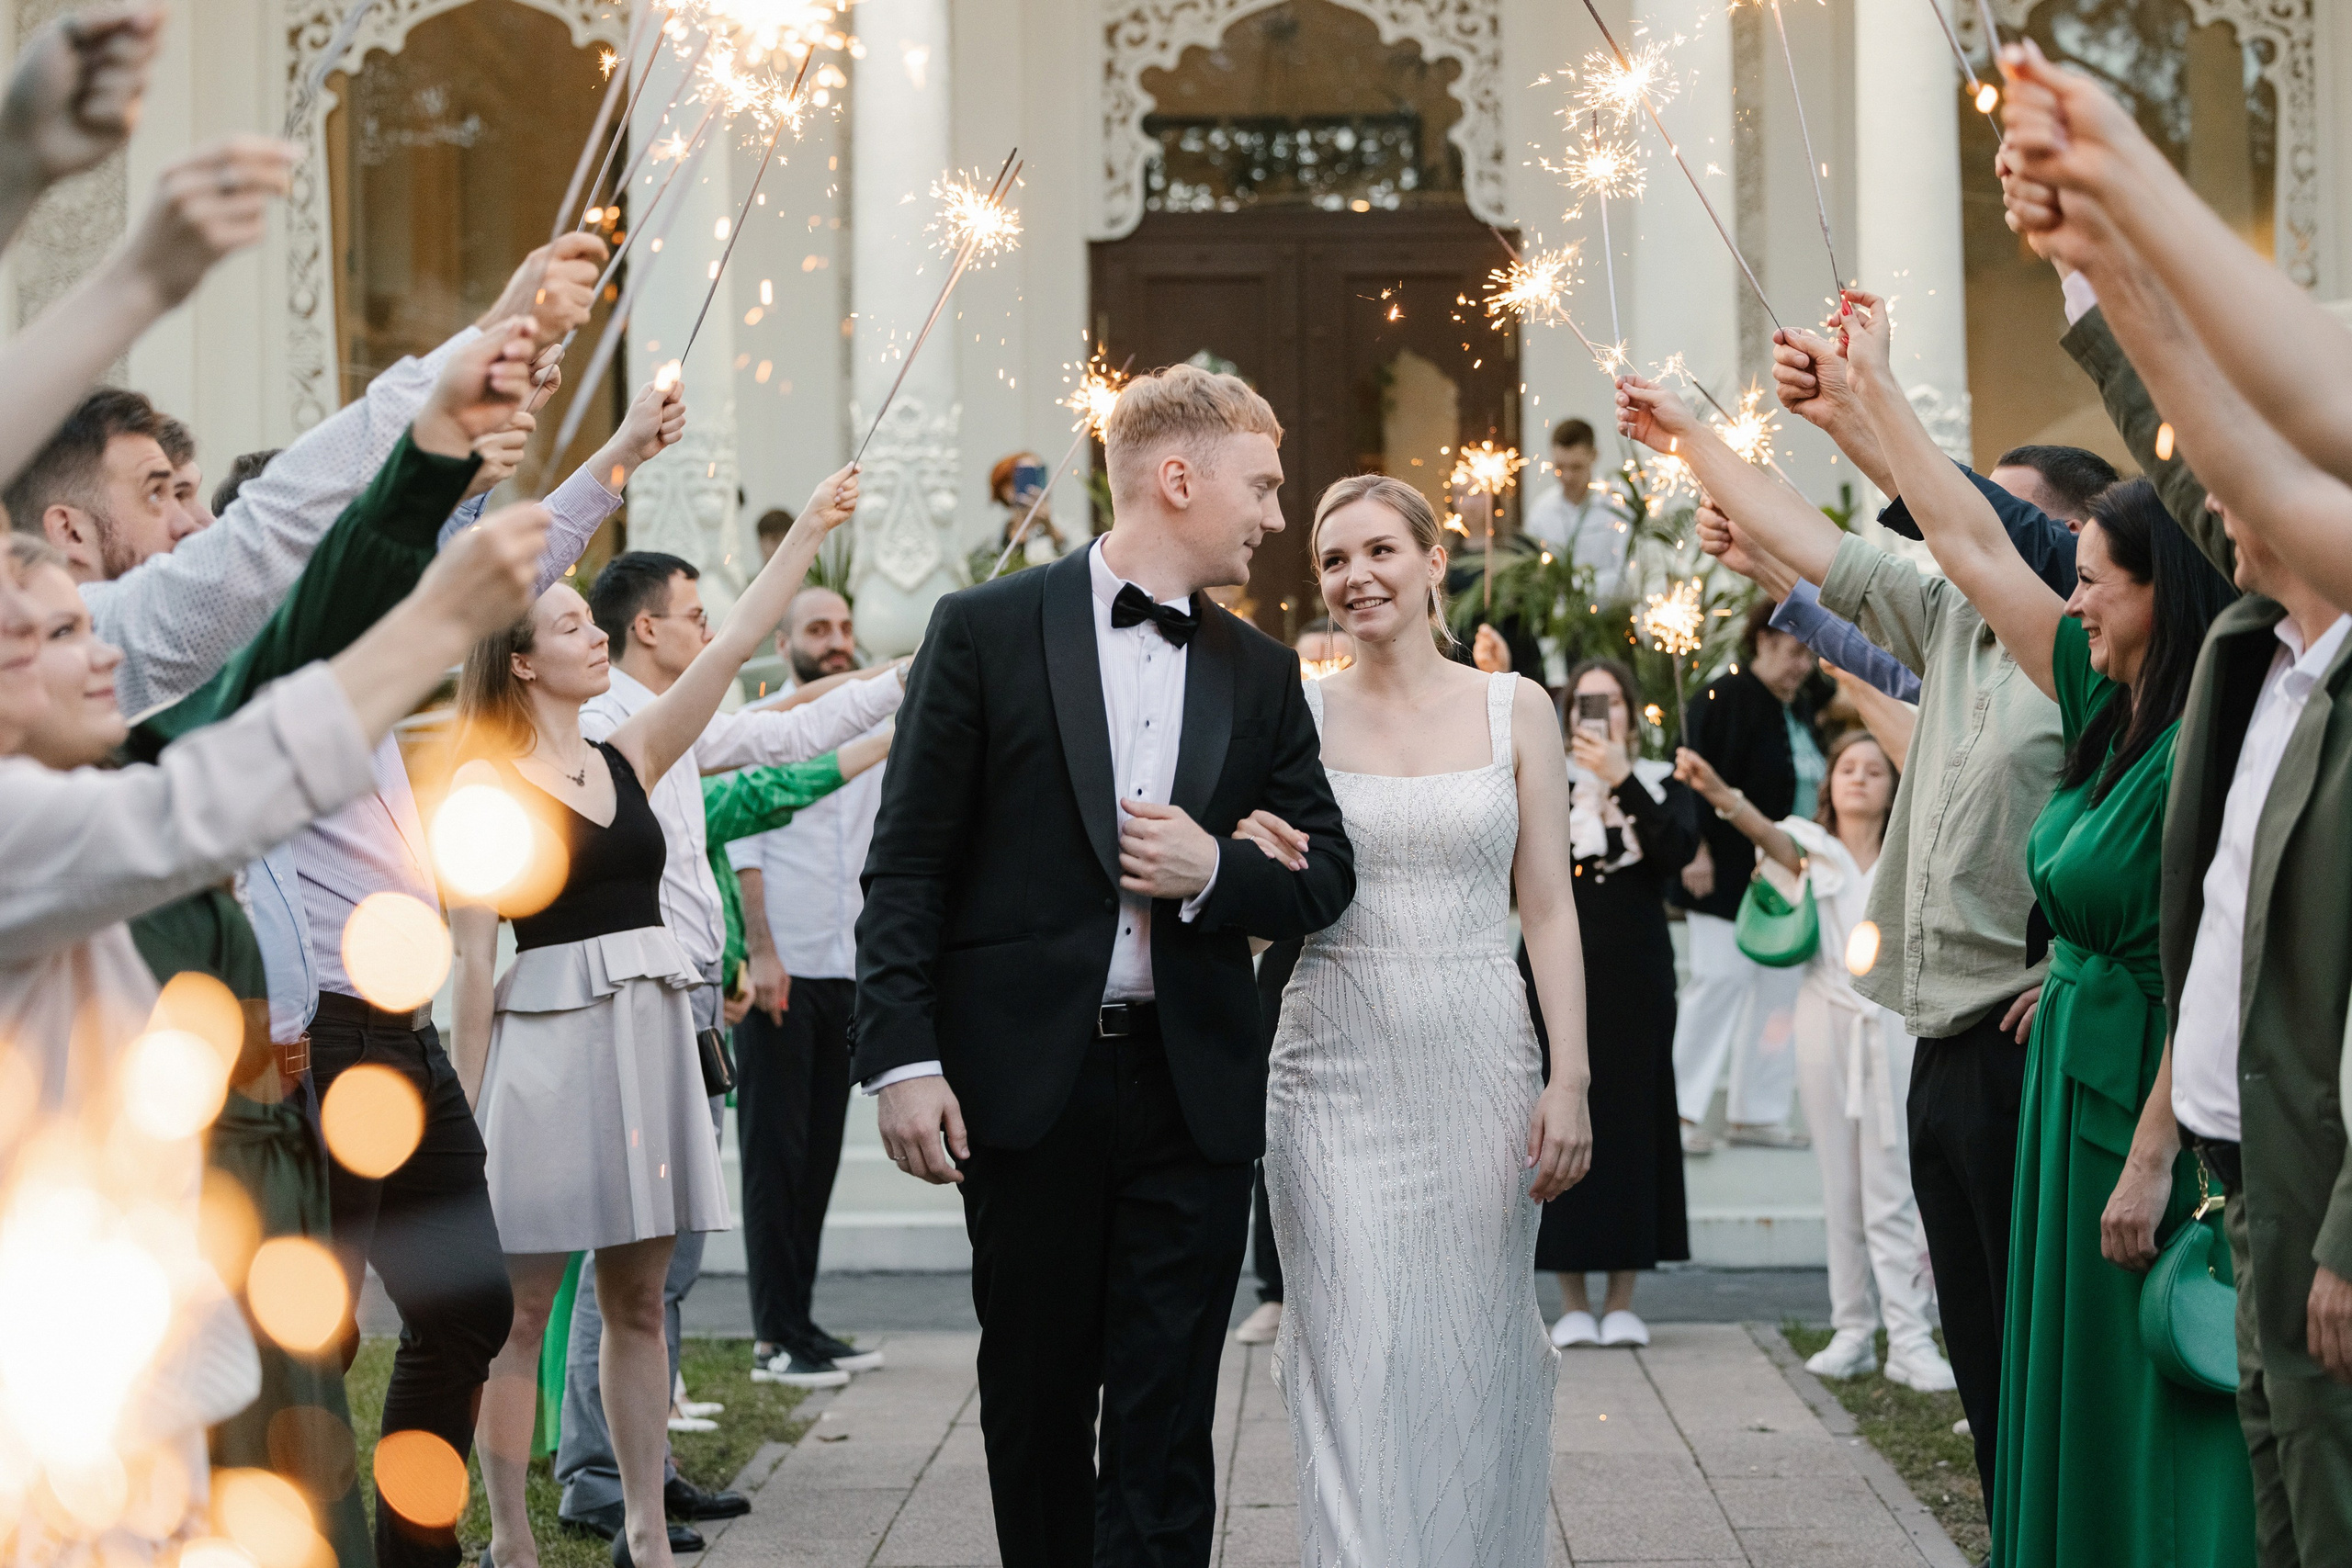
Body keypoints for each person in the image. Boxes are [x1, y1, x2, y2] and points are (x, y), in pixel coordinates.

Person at [852, 363, 1355, 1568]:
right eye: (1264, 485)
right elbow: (907, 862)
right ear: (1177, 477)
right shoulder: (982, 629)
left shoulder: (1264, 671)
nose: (1278, 516)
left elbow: (1325, 871)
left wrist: (1214, 871)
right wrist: (903, 1056)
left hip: (1193, 1094)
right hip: (1026, 1088)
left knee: (1169, 1413)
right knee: (1034, 1399)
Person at [0, 499, 548, 1568]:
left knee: (450, 1304)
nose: (187, 522)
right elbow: (214, 794)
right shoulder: (81, 812)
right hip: (276, 1095)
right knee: (300, 1360)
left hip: (356, 1052)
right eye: (164, 494)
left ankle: (412, 1544)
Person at [1837, 282, 2251, 1567]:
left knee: (2145, 1386)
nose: (2070, 602)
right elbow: (1966, 540)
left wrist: (2148, 1152)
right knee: (2047, 1384)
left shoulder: (2217, 734)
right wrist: (1875, 385)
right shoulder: (2095, 689)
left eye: (2093, 583)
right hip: (2066, 1068)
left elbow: (2213, 958)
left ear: (2160, 590)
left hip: (2145, 1101)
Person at [1997, 62, 2352, 1562]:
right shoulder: (2258, 660)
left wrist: (2124, 189)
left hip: (2320, 1204)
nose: (2217, 493)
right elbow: (2204, 428)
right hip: (2243, 1174)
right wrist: (2091, 266)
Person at [1622, 361, 2066, 1513]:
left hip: (2034, 1041)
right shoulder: (1956, 623)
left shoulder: (2096, 669)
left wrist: (2082, 956)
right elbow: (1823, 558)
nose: (1956, 529)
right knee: (1984, 1362)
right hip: (1933, 1028)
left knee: (2046, 1366)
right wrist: (1691, 436)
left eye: (1991, 512)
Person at [447, 462, 861, 1568]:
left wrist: (809, 527)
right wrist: (467, 1126)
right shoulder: (483, 792)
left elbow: (726, 656)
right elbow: (473, 975)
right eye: (574, 627)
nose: (598, 641)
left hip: (647, 1042)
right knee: (521, 1316)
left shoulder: (629, 751)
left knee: (638, 1303)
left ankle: (642, 1526)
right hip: (540, 1055)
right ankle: (514, 1536)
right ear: (523, 660)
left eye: (595, 622)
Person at [1240, 472, 1587, 1557]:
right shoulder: (1290, 713)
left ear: (1434, 562)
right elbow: (1262, 907)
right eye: (1334, 560)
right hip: (1330, 1062)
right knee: (1346, 1352)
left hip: (1482, 1053)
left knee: (1475, 1348)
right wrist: (1245, 873)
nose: (1357, 577)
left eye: (1380, 551)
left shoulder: (1515, 707)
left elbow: (1546, 903)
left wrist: (1568, 1076)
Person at [549, 561, 904, 1542]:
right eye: (697, 616)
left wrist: (907, 679)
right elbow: (778, 734)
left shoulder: (668, 715)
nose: (710, 631)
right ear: (649, 629)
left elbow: (788, 729)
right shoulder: (608, 723)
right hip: (638, 1005)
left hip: (694, 1002)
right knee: (631, 1260)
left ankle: (645, 1461)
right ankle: (596, 1472)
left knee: (671, 1261)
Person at [1678, 729, 1952, 1390]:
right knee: (1839, 1181)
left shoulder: (1911, 849)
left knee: (1891, 1182)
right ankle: (1852, 1328)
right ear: (1828, 783)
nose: (1860, 778)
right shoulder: (1811, 844)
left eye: (1875, 770)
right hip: (1823, 1019)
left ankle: (1911, 1336)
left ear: (1895, 786)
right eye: (1847, 768)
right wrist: (1721, 795)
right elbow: (1767, 836)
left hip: (1890, 1020)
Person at [730, 585, 899, 1385]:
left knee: (822, 1150)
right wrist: (762, 951)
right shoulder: (766, 726)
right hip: (783, 964)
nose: (836, 640)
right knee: (776, 1153)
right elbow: (747, 849)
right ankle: (772, 1336)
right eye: (817, 630)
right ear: (786, 641)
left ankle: (803, 1321)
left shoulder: (872, 719)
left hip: (847, 966)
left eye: (843, 627)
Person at [1532, 656, 1694, 1350]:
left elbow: (1678, 851)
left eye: (1610, 704)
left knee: (1634, 1120)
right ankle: (1569, 1294)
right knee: (1558, 1118)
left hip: (1637, 972)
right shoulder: (1544, 783)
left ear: (1632, 712)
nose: (1597, 717)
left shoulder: (1661, 780)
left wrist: (1623, 776)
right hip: (1556, 973)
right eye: (1584, 707)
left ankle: (1625, 1293)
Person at [1669, 598, 1826, 1153]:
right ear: (1762, 641)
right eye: (1793, 651)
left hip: (1788, 876)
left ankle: (1758, 1112)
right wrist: (1694, 849)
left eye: (1809, 654)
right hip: (1725, 870)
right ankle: (1680, 1113)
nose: (1802, 665)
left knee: (1779, 987)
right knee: (1719, 981)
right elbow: (1684, 770)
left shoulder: (1801, 708)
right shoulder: (1728, 695)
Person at [1521, 417, 1632, 601]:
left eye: (1576, 467)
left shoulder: (1617, 505)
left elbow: (1627, 572)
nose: (1567, 477)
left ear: (1594, 455)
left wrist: (1576, 586)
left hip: (1609, 620)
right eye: (1560, 467)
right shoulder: (1541, 511)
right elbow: (1530, 573)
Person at [989, 450, 1067, 567]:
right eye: (1025, 477)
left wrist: (1051, 528)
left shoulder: (1066, 529)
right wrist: (1018, 537)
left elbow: (1082, 562)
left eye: (1039, 474)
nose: (1034, 486)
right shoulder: (993, 543)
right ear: (1005, 490)